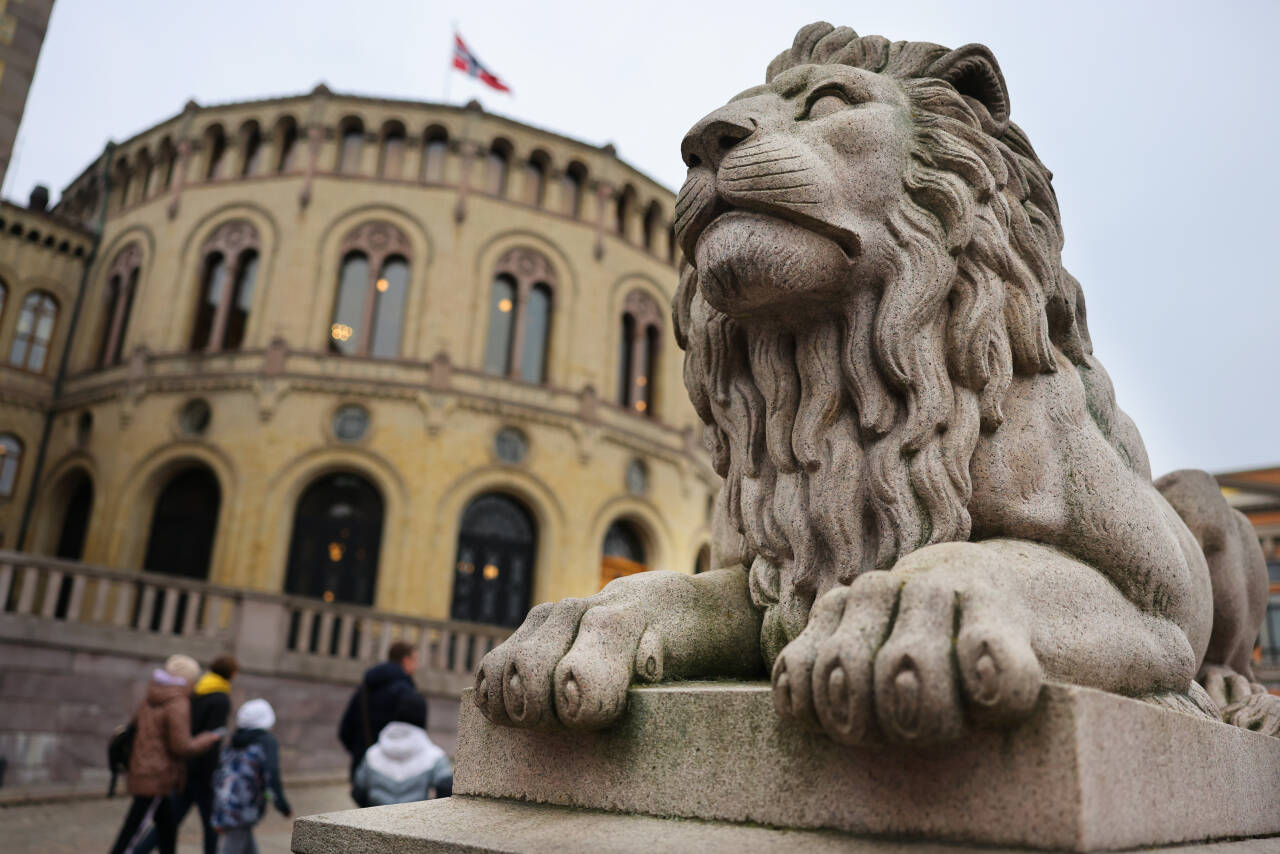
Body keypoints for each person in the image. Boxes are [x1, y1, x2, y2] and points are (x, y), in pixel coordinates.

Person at [108, 654, 223, 854]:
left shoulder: (152, 695)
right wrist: (208, 738)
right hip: (158, 775)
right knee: (132, 833)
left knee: (166, 829)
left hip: (144, 768)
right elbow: (181, 746)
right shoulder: (178, 703)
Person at [134, 655, 238, 854]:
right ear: (231, 674)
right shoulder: (220, 698)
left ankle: (139, 850)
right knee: (210, 825)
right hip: (203, 774)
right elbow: (212, 739)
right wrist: (211, 775)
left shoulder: (197, 691)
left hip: (186, 768)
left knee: (168, 822)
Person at [338, 640, 422, 791]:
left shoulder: (365, 688)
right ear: (405, 660)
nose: (416, 666)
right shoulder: (407, 693)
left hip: (363, 768)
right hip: (396, 774)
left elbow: (345, 730)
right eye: (415, 660)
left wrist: (362, 752)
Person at [211, 698, 291, 854]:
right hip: (242, 808)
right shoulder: (266, 742)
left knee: (245, 844)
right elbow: (272, 775)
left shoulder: (235, 740)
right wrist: (282, 806)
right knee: (233, 846)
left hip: (225, 801)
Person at [351, 693, 453, 806]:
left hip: (375, 818)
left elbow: (358, 791)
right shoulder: (434, 756)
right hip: (415, 820)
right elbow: (446, 788)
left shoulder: (372, 754)